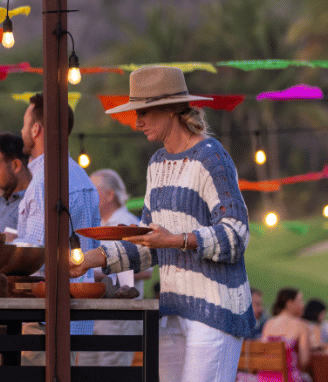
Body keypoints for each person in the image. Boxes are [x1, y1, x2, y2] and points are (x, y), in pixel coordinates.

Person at [71, 66, 254, 382]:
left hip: (216, 311)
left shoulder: (211, 157)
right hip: (173, 310)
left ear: (171, 109)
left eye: (144, 112)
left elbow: (236, 234)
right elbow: (147, 242)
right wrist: (89, 260)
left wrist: (175, 240)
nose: (137, 121)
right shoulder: (157, 164)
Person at [13, 92, 102, 366]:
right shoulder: (79, 175)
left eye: (25, 123)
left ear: (36, 129)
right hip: (77, 318)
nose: (21, 130)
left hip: (47, 318)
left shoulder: (45, 180)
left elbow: (38, 256)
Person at [78, 168, 145, 367]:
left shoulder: (129, 224)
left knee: (112, 373)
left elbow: (147, 267)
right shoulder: (95, 225)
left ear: (109, 195)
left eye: (93, 191)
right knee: (85, 371)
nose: (88, 196)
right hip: (93, 312)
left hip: (118, 314)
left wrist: (100, 268)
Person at [259, 288, 311, 382]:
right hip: (288, 378)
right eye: (300, 300)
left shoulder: (269, 323)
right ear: (289, 303)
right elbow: (304, 361)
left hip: (264, 378)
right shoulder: (301, 325)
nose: (303, 305)